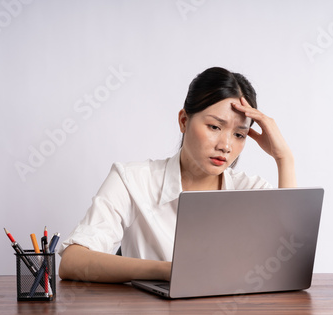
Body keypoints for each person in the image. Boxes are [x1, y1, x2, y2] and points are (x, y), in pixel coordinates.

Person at [58, 67, 296, 283]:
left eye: (239, 135)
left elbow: (289, 266)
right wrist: (169, 271)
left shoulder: (250, 191)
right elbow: (72, 262)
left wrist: (283, 158)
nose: (225, 145)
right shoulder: (132, 180)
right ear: (184, 120)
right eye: (214, 127)